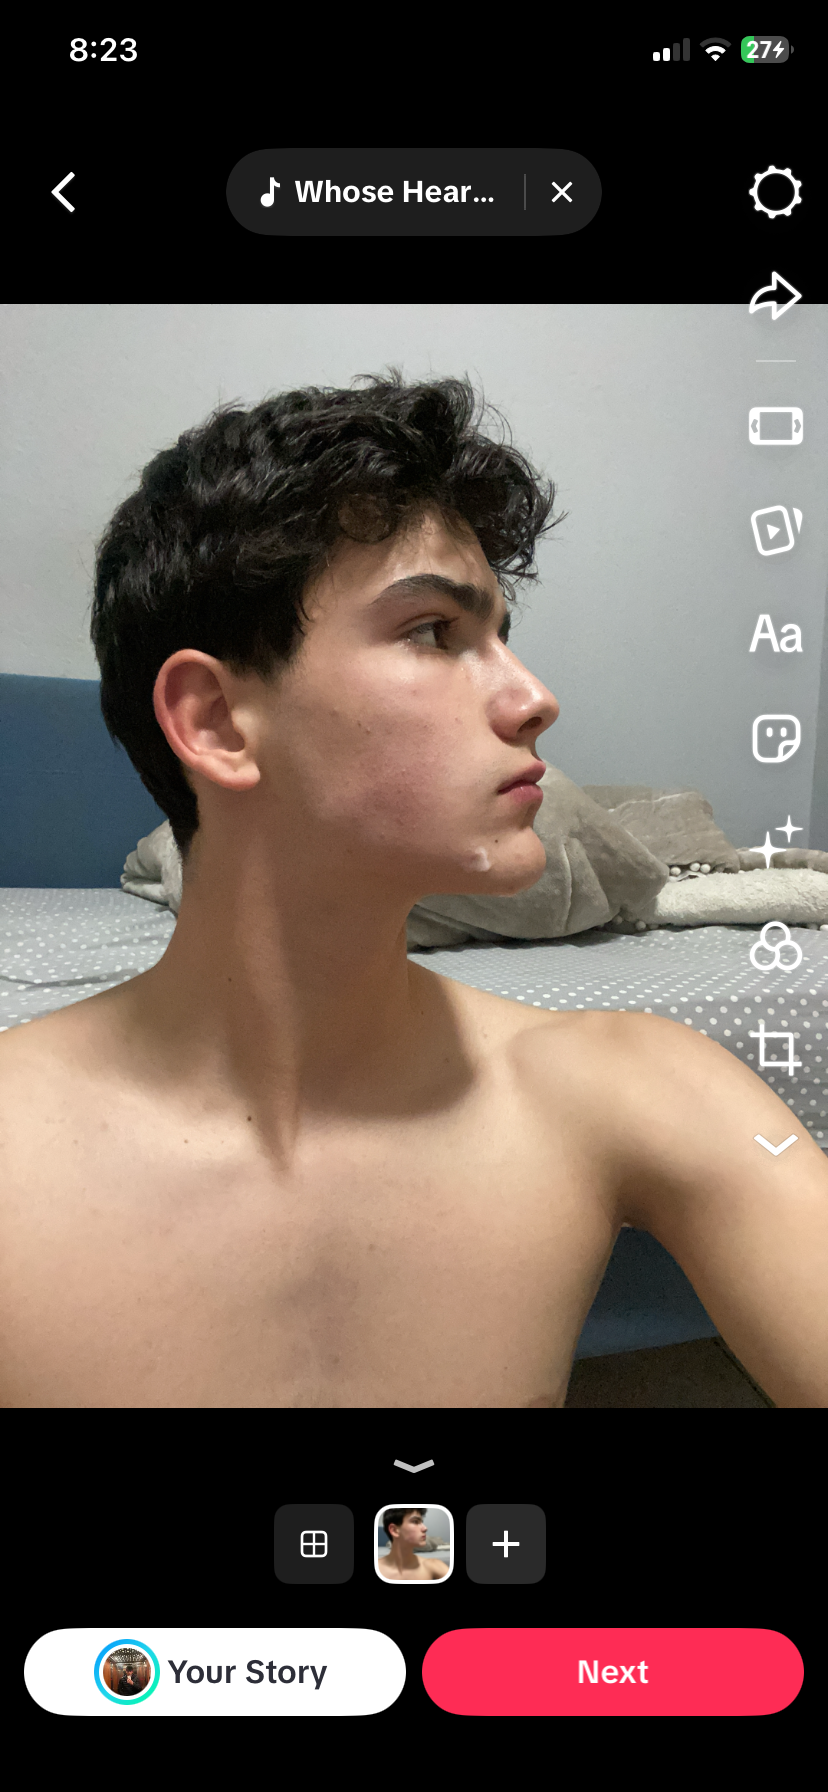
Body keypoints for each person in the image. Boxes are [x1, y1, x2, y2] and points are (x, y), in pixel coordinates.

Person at [1, 370, 827, 1409]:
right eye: (435, 631)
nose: (535, 699)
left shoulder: (638, 1083)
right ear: (214, 722)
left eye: (503, 636)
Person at [378, 1509, 448, 1580]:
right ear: (394, 1530)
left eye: (421, 1522)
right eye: (415, 1521)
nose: (425, 1528)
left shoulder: (433, 1565)